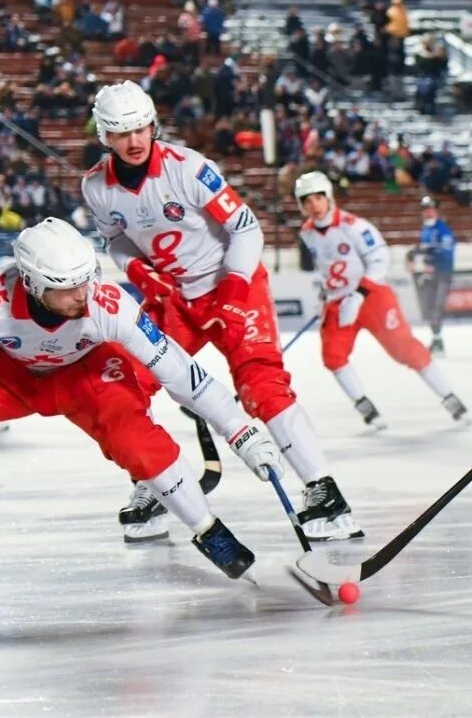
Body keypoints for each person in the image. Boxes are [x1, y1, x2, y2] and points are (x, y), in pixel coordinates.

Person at [0, 218, 282, 593]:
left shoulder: (108, 305)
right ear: (31, 284)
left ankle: (209, 530)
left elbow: (181, 373)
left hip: (85, 370)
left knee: (137, 439)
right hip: (11, 370)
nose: (83, 295)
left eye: (86, 280)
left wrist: (240, 430)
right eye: (67, 289)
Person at [81, 82, 362, 541]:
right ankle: (153, 484)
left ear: (153, 125)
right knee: (123, 383)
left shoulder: (189, 168)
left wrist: (233, 286)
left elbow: (246, 227)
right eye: (120, 133)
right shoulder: (97, 186)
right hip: (173, 299)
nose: (133, 141)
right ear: (105, 138)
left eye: (140, 129)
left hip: (232, 285)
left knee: (260, 386)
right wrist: (136, 268)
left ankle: (324, 493)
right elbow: (115, 239)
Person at [294, 171, 468, 431]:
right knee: (332, 356)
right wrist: (324, 296)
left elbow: (379, 259)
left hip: (371, 295)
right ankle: (366, 409)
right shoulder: (306, 233)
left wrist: (358, 294)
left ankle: (450, 398)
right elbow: (324, 268)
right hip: (338, 301)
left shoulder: (354, 225)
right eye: (307, 201)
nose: (314, 205)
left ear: (329, 196)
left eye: (318, 198)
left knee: (405, 349)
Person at [409, 196, 455, 355]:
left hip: (442, 273)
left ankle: (438, 340)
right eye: (425, 209)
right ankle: (436, 338)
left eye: (430, 209)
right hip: (429, 272)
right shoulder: (426, 229)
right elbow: (424, 248)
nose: (428, 212)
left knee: (437, 306)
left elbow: (446, 252)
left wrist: (428, 257)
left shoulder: (443, 229)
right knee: (428, 306)